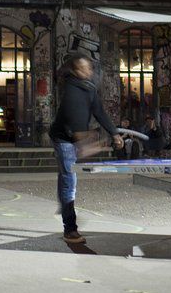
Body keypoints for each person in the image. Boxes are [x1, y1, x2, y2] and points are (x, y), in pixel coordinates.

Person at [49, 53, 124, 244]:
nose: (88, 71)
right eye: (84, 68)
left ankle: (64, 205)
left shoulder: (89, 89)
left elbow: (99, 111)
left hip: (75, 135)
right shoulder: (71, 92)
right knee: (69, 181)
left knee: (66, 177)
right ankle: (70, 229)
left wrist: (114, 133)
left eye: (89, 68)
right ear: (75, 71)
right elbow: (77, 131)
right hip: (63, 138)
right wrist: (91, 145)